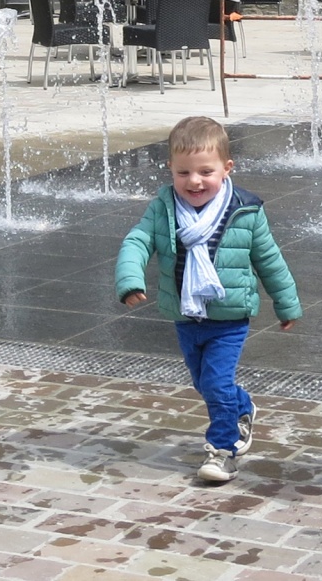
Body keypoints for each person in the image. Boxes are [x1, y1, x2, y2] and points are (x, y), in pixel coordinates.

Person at [115, 115, 301, 484]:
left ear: (226, 168)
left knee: (215, 384)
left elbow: (268, 259)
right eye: (183, 173)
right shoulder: (164, 207)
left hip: (230, 317)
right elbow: (137, 241)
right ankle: (242, 407)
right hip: (186, 314)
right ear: (170, 168)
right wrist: (130, 279)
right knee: (205, 383)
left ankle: (223, 451)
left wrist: (286, 302)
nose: (194, 182)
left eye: (205, 171)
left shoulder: (245, 210)